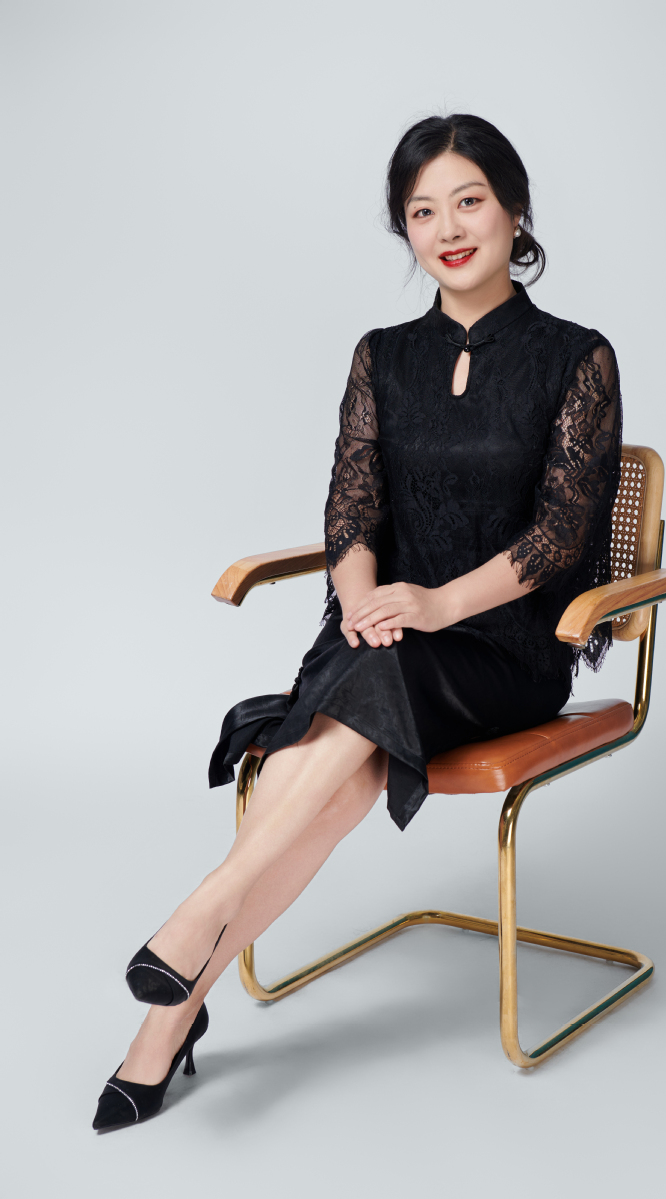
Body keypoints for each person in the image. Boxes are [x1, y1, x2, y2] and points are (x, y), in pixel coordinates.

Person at [93, 113, 622, 1131]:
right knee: (342, 765)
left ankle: (194, 933)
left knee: (347, 720)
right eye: (422, 212)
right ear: (404, 230)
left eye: (468, 200)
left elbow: (561, 537)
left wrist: (435, 603)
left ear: (514, 210)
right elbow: (351, 511)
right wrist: (362, 598)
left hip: (501, 647)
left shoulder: (574, 357)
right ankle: (176, 1003)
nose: (447, 228)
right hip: (381, 633)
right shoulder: (381, 355)